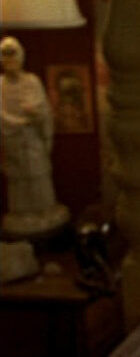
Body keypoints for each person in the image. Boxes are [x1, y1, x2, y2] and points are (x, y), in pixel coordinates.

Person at [0, 36, 70, 238]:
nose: (9, 60)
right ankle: (23, 213)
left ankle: (43, 209)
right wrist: (18, 122)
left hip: (32, 139)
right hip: (12, 140)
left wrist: (34, 112)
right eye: (5, 56)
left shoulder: (32, 81)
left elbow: (43, 111)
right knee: (18, 180)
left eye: (13, 55)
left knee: (38, 175)